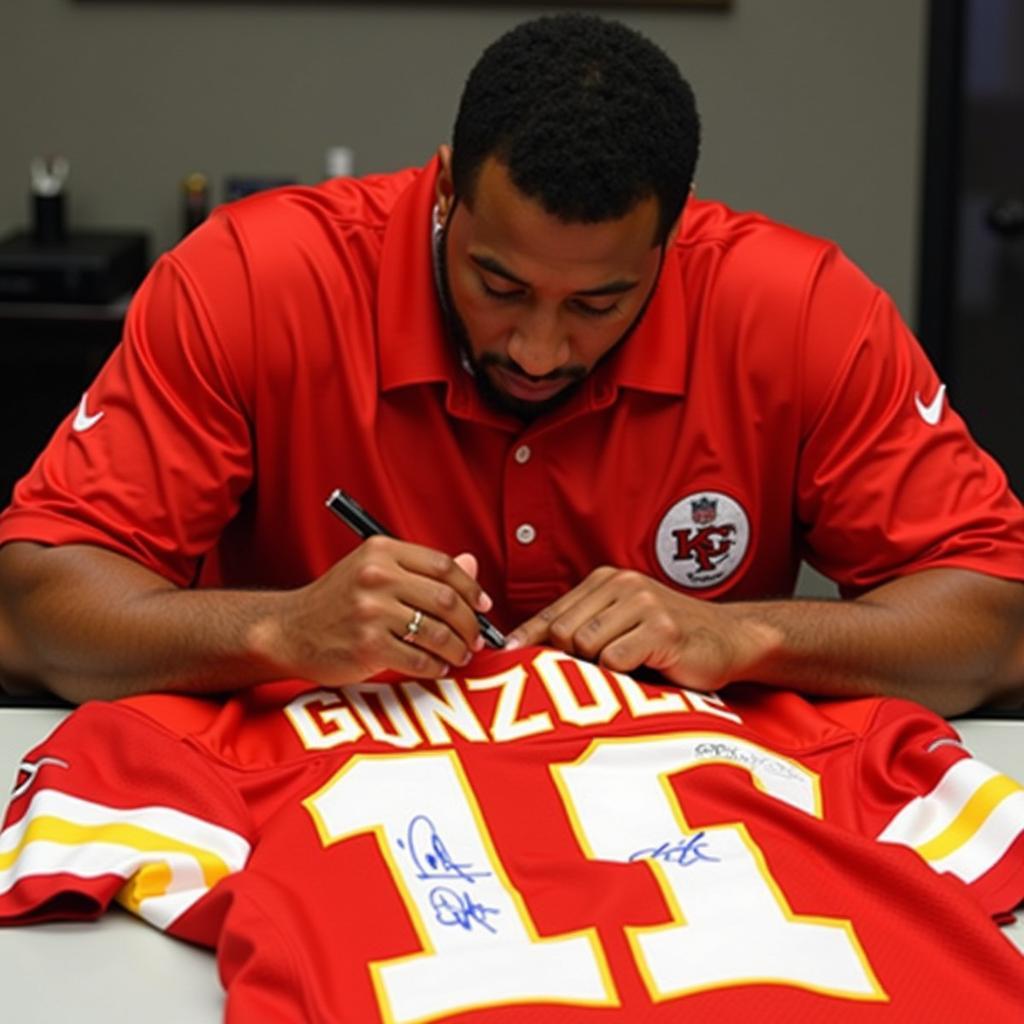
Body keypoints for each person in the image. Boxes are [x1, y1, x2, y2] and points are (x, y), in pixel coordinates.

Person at [0, 14, 1021, 715]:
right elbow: (33, 612)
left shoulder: (796, 309)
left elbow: (994, 620)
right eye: (498, 285)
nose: (538, 349)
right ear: (444, 192)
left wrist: (746, 634)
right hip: (311, 825)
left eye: (599, 302)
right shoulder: (252, 279)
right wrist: (279, 628)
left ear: (671, 236)